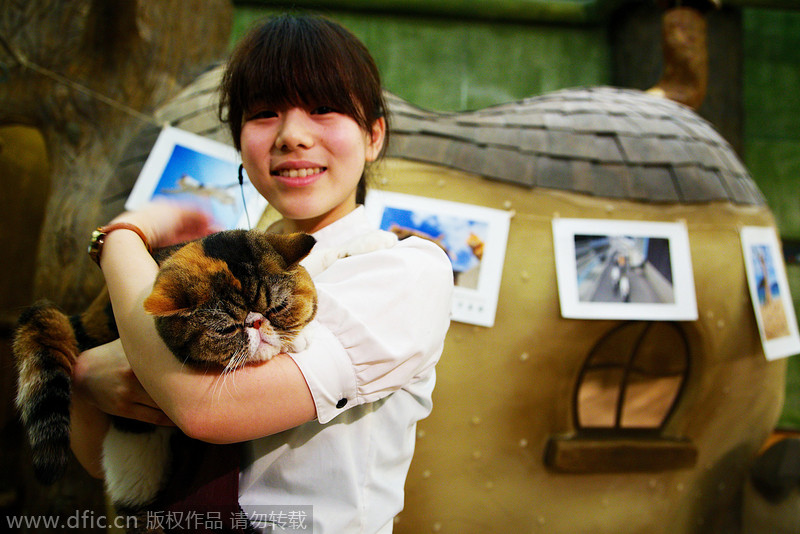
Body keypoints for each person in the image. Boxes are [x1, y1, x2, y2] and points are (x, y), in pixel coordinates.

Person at [69, 13, 454, 534]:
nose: (293, 135)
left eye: (324, 109)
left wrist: (118, 239)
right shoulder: (214, 264)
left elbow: (205, 412)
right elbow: (104, 464)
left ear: (373, 137)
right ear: (240, 141)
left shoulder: (405, 272)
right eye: (265, 113)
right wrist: (87, 381)